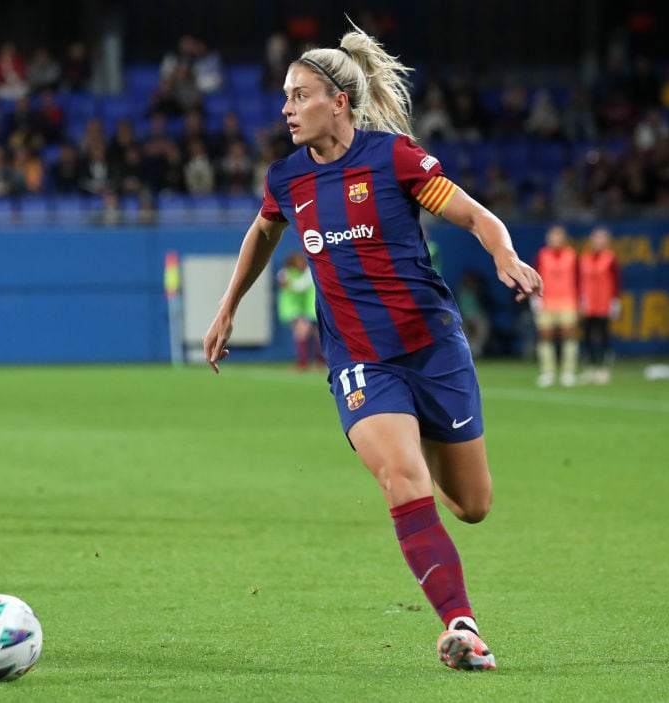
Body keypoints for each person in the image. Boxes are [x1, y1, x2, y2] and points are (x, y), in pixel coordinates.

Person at [202, 21, 541, 672]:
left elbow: (473, 214)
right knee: (400, 477)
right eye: (285, 96)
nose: (286, 109)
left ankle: (434, 486)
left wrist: (504, 253)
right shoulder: (287, 179)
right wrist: (227, 307)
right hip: (361, 361)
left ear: (340, 102)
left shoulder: (396, 160)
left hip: (434, 348)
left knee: (472, 505)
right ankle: (461, 626)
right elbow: (262, 234)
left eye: (299, 95)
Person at [533, 225, 579, 387]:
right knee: (545, 337)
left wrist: (581, 299)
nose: (556, 240)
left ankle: (568, 372)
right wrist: (535, 298)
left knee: (569, 336)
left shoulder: (571, 255)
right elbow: (535, 276)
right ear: (548, 239)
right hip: (546, 301)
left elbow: (579, 278)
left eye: (559, 236)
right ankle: (548, 372)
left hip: (568, 301)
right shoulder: (542, 255)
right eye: (553, 236)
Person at [578, 227, 621, 384]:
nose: (599, 242)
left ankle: (604, 368)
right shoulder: (585, 257)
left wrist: (615, 302)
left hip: (604, 302)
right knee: (587, 336)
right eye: (596, 238)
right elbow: (580, 280)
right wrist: (581, 300)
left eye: (602, 238)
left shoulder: (610, 258)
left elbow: (616, 281)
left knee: (603, 335)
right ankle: (590, 367)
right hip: (588, 303)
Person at [276, 251, 320, 369]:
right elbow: (288, 283)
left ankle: (308, 363)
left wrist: (291, 285)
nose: (301, 263)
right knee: (307, 334)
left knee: (311, 335)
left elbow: (300, 287)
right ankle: (308, 363)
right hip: (298, 310)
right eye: (299, 261)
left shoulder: (308, 273)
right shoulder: (286, 273)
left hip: (308, 310)